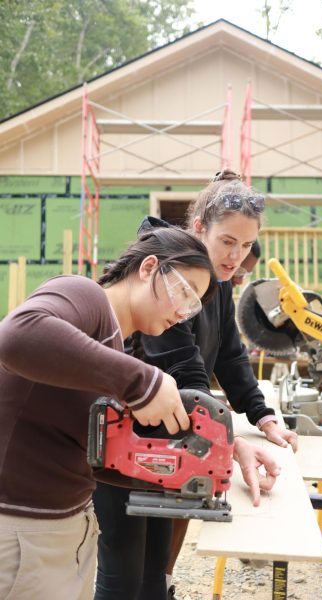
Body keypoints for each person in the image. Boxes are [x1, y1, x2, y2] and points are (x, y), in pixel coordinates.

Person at [93, 169, 297, 600]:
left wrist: (262, 417)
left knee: (156, 564)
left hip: (174, 432)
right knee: (122, 567)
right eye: (227, 242)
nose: (236, 257)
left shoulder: (218, 282)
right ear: (199, 226)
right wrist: (224, 437)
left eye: (245, 247)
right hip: (127, 434)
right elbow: (184, 368)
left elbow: (229, 355)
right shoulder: (173, 279)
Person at [0, 226, 218, 600]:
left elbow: (94, 456)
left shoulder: (118, 350)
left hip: (67, 531)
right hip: (22, 534)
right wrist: (143, 383)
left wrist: (192, 466)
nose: (183, 314)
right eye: (184, 292)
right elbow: (16, 337)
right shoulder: (85, 297)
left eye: (193, 306)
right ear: (149, 267)